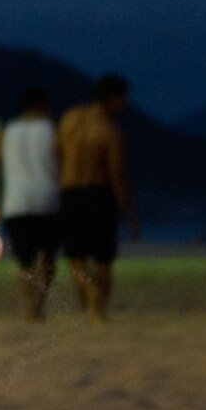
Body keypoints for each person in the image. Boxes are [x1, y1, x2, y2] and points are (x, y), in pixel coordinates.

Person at [0, 88, 62, 320]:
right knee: (48, 259)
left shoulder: (5, 134)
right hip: (48, 202)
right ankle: (40, 303)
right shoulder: (53, 130)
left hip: (16, 204)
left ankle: (30, 306)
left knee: (25, 263)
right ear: (41, 106)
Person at [55, 74, 132, 320]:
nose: (125, 105)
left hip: (70, 192)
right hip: (99, 194)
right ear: (112, 98)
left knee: (75, 256)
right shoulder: (110, 130)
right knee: (103, 258)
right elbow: (117, 175)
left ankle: (87, 297)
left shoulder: (70, 119)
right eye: (123, 99)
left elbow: (54, 152)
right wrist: (129, 213)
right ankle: (97, 304)